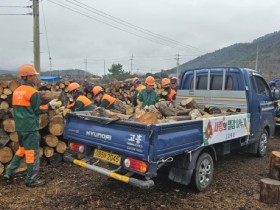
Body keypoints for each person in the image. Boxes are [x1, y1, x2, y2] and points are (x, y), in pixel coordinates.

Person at [3, 64, 61, 188]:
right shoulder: (32, 92)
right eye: (34, 75)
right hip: (30, 127)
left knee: (21, 150)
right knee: (32, 153)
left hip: (19, 127)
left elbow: (23, 108)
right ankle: (31, 180)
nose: (35, 77)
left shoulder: (16, 91)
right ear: (28, 77)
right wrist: (50, 106)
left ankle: (9, 172)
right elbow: (37, 110)